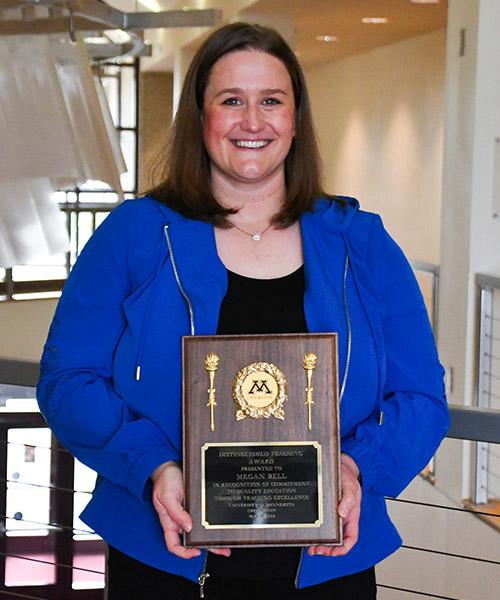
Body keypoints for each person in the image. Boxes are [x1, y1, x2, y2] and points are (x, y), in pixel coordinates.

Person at [37, 22, 449, 600]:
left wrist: (357, 467)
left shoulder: (363, 244)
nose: (252, 122)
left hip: (329, 565)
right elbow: (67, 381)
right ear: (200, 116)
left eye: (271, 101)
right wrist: (154, 465)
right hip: (163, 561)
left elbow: (422, 399)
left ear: (295, 119)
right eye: (231, 100)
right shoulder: (132, 236)